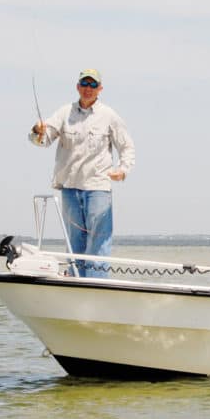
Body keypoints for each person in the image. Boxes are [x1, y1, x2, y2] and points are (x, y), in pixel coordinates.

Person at [30, 69, 135, 277]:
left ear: (100, 89)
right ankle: (77, 279)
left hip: (98, 188)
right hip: (69, 187)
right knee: (74, 239)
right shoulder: (64, 113)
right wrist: (37, 131)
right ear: (77, 86)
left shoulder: (109, 115)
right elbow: (43, 140)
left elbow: (127, 147)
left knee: (99, 239)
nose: (88, 89)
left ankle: (97, 282)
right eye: (84, 84)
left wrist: (122, 170)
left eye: (93, 85)